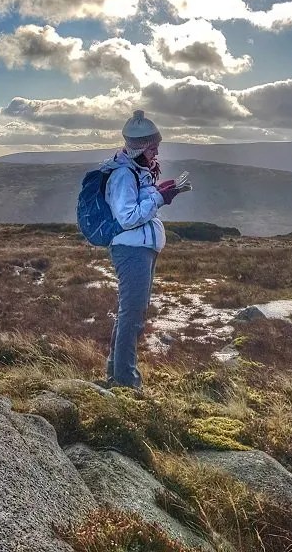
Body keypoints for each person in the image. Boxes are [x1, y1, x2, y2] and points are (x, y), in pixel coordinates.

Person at [101, 109, 181, 389]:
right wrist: (159, 198)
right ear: (140, 147)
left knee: (130, 314)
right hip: (131, 251)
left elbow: (140, 207)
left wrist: (162, 191)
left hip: (141, 251)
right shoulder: (124, 174)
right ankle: (125, 382)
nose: (157, 149)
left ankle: (116, 375)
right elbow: (128, 217)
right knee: (132, 317)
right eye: (153, 145)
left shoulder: (139, 172)